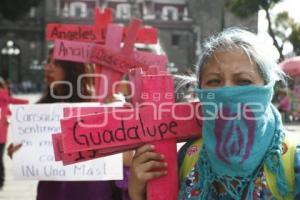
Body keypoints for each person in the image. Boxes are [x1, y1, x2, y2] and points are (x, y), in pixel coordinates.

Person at [128, 28, 300, 199]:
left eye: (242, 81)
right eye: (214, 81)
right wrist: (138, 192)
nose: (226, 91)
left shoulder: (292, 162)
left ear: (267, 88)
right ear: (200, 91)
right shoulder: (188, 157)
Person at [8, 48, 130, 200]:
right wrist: (20, 154)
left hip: (92, 192)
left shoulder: (101, 106)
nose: (48, 67)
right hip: (52, 192)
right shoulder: (39, 112)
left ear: (73, 69)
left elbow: (123, 161)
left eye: (56, 63)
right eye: (47, 62)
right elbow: (37, 154)